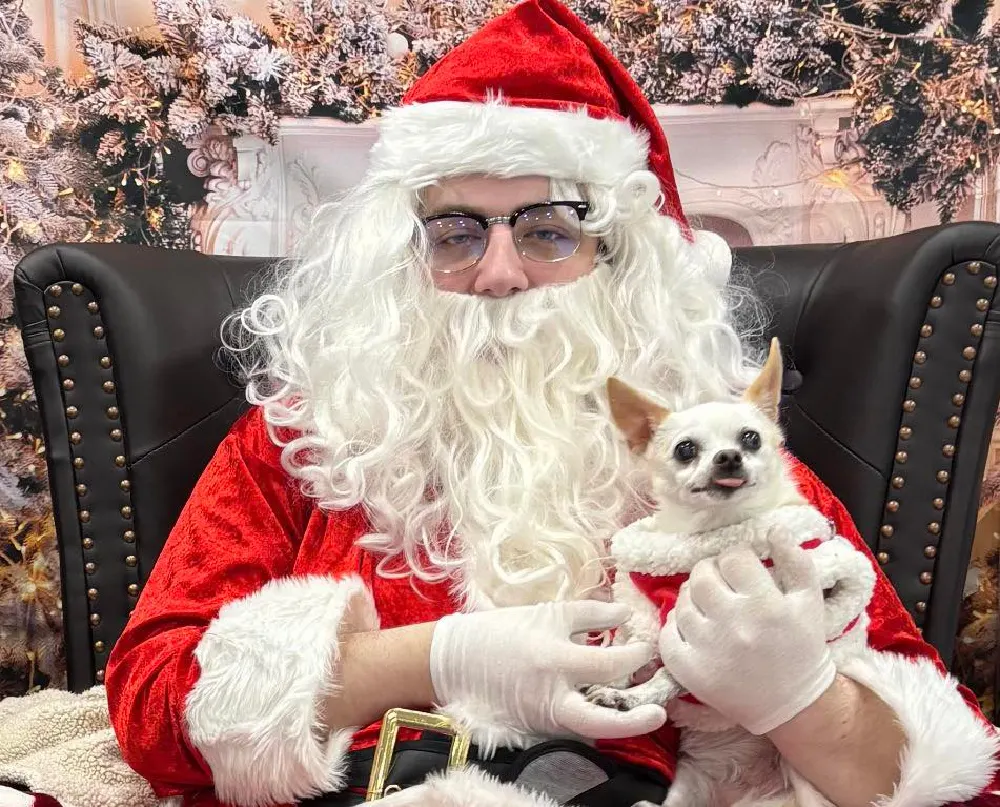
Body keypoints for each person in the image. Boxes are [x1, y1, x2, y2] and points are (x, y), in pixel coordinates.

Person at [105, 1, 1000, 806]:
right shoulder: (307, 440)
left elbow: (946, 776)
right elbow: (150, 706)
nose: (497, 276)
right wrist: (440, 657)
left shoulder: (717, 463)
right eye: (455, 232)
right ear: (400, 262)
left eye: (546, 229)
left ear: (620, 261)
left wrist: (802, 699)